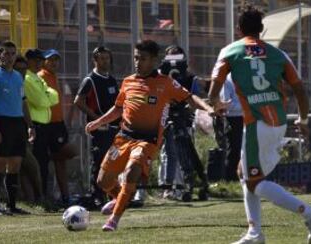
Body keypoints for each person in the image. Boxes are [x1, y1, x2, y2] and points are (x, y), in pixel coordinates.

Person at [208, 3, 311, 244]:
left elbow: (213, 91)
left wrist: (216, 104)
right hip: (278, 123)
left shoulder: (229, 51)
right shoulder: (278, 54)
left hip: (255, 124)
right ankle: (254, 233)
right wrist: (303, 119)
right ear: (261, 29)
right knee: (245, 173)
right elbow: (300, 90)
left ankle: (309, 212)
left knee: (254, 181)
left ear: (238, 28)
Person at [85, 40, 214, 231]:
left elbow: (190, 97)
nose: (138, 62)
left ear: (154, 60)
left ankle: (114, 219)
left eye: (143, 58)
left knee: (131, 172)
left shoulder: (165, 83)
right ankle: (121, 198)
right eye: (136, 58)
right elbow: (118, 109)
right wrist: (98, 122)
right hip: (124, 138)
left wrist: (208, 108)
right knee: (103, 181)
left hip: (147, 141)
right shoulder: (128, 82)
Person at [0, 41, 35, 215]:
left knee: (15, 164)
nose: (9, 57)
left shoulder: (17, 76)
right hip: (2, 122)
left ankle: (12, 205)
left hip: (18, 124)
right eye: (6, 53)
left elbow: (23, 103)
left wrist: (30, 125)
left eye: (12, 53)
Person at [158, 45, 209, 201]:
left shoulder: (189, 77)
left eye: (177, 57)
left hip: (184, 119)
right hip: (165, 118)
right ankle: (168, 187)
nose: (174, 61)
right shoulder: (161, 76)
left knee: (185, 154)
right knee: (168, 153)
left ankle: (186, 186)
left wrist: (188, 107)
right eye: (170, 57)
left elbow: (193, 97)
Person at [74, 46, 119, 208]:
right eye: (101, 58)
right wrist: (98, 119)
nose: (105, 61)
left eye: (107, 58)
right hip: (101, 129)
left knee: (114, 162)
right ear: (95, 60)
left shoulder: (112, 79)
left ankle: (114, 194)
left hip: (115, 128)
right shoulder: (90, 79)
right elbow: (78, 101)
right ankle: (97, 196)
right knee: (99, 161)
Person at [38, 49, 77, 205]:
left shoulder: (55, 77)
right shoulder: (41, 77)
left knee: (61, 161)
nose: (54, 63)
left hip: (57, 124)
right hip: (46, 124)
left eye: (56, 60)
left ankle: (65, 197)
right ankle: (45, 196)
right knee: (63, 154)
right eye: (50, 60)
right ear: (44, 61)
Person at [24, 48, 59, 200]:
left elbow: (55, 96)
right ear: (29, 61)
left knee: (44, 163)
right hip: (35, 126)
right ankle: (38, 197)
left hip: (44, 126)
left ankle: (43, 196)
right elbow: (41, 101)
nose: (39, 63)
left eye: (40, 60)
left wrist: (46, 96)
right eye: (36, 60)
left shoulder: (38, 78)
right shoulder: (27, 78)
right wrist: (46, 96)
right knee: (37, 164)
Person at [13, 55, 43, 203]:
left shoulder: (21, 85)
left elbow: (24, 106)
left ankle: (37, 199)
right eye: (18, 70)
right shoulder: (2, 81)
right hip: (5, 128)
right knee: (13, 168)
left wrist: (30, 126)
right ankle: (14, 201)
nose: (22, 73)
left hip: (21, 130)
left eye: (24, 69)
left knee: (31, 167)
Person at [212, 73, 243, 182]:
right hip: (233, 119)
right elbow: (226, 104)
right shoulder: (227, 79)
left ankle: (244, 178)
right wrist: (246, 106)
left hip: (247, 117)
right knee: (234, 150)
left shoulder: (247, 75)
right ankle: (231, 180)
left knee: (245, 150)